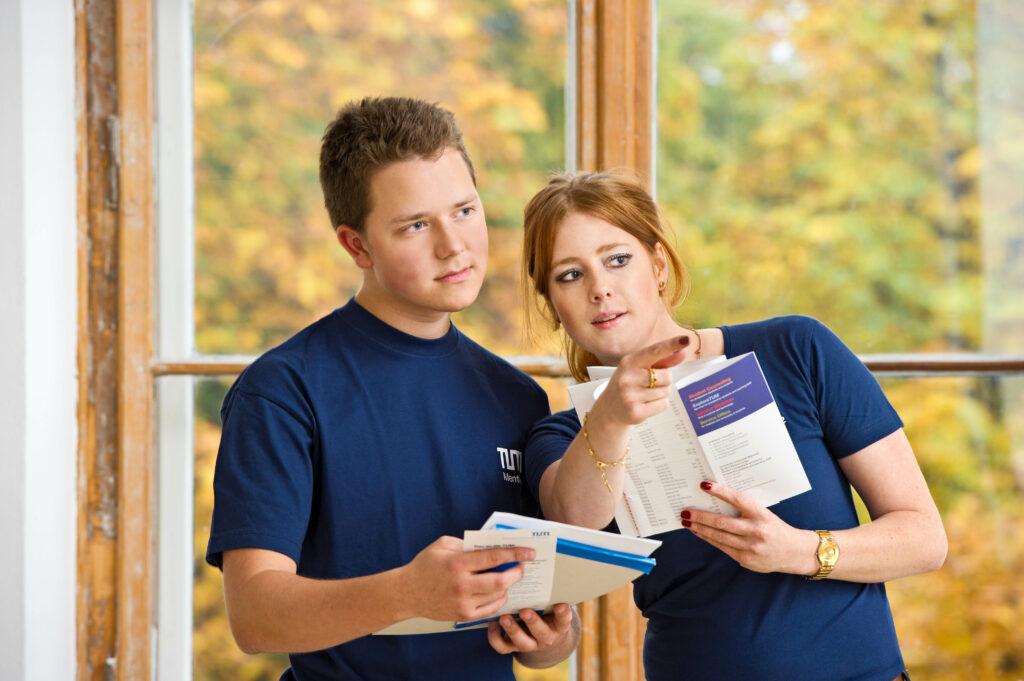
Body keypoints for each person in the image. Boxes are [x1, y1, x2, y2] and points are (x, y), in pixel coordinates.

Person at [519, 169, 947, 681]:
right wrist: (609, 418)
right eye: (570, 274)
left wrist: (800, 551)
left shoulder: (796, 351)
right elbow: (575, 520)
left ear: (658, 265)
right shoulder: (565, 439)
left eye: (617, 259)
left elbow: (925, 538)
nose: (600, 289)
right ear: (552, 304)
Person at [206, 97, 579, 680]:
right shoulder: (284, 389)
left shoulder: (518, 398)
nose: (453, 246)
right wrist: (407, 592)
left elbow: (534, 632)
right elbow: (254, 616)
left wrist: (551, 638)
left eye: (464, 210)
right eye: (415, 225)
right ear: (356, 246)